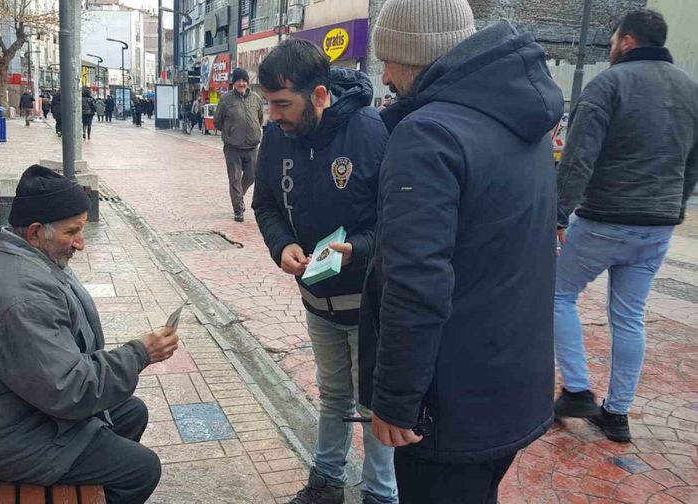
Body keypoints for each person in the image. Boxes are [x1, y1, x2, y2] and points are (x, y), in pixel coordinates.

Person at [358, 1, 564, 502]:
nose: (385, 75)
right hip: (510, 389)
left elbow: (415, 284)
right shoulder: (520, 119)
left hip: (448, 408)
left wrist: (396, 402)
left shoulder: (428, 134)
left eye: (392, 60)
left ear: (420, 54)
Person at [0, 165, 179, 504]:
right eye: (73, 231)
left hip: (19, 408)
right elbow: (69, 389)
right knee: (141, 469)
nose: (81, 243)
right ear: (36, 232)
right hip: (2, 434)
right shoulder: (21, 294)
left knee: (131, 411)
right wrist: (140, 353)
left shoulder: (22, 257)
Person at [253, 39, 395, 504]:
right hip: (316, 301)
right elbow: (266, 202)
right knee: (333, 395)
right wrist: (282, 244)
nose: (273, 116)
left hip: (368, 304)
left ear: (318, 95)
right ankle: (326, 482)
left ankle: (379, 494)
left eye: (281, 104)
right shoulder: (277, 137)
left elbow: (394, 220)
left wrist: (356, 248)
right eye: (269, 104)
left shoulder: (372, 132)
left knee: (374, 404)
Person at [553, 9, 698, 442]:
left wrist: (558, 213)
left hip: (604, 220)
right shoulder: (690, 91)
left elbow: (578, 159)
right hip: (656, 225)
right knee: (629, 318)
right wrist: (676, 206)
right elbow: (692, 163)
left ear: (628, 41)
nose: (611, 46)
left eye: (614, 39)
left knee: (557, 295)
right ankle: (617, 413)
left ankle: (578, 389)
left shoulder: (608, 85)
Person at [215, 68, 264, 222]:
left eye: (244, 81)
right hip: (233, 147)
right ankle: (238, 209)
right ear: (234, 83)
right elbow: (218, 121)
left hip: (251, 146)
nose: (241, 83)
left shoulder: (256, 99)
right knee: (235, 178)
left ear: (247, 82)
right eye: (238, 81)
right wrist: (230, 132)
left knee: (251, 176)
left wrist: (254, 131)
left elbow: (260, 118)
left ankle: (238, 197)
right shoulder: (226, 100)